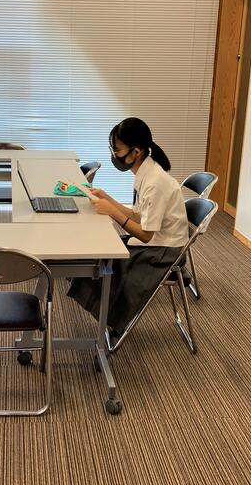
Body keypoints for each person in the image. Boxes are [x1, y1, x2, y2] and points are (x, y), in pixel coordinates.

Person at [67, 117, 189, 339]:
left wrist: (112, 212)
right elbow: (138, 215)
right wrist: (108, 198)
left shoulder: (155, 183)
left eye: (117, 150)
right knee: (100, 252)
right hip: (156, 242)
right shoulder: (145, 173)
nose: (114, 155)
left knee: (108, 264)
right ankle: (106, 317)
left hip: (164, 251)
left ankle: (112, 320)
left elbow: (145, 234)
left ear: (136, 152)